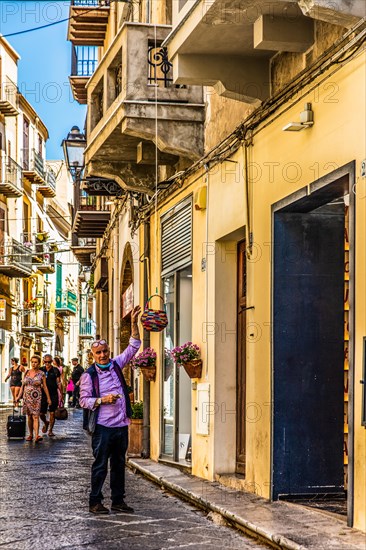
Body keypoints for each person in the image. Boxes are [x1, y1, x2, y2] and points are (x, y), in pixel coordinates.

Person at [80, 305, 141, 515]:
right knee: (100, 466)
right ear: (93, 355)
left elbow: (134, 346)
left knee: (118, 464)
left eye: (105, 351)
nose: (103, 355)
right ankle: (95, 502)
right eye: (99, 352)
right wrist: (102, 400)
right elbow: (83, 401)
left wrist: (133, 323)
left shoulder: (116, 364)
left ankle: (118, 501)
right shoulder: (89, 375)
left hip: (120, 425)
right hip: (102, 427)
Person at [17, 355, 52, 442]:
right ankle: (31, 435)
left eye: (36, 362)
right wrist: (18, 396)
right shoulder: (27, 372)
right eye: (32, 362)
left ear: (39, 363)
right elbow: (22, 386)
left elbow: (45, 387)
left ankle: (37, 435)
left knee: (36, 416)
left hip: (36, 398)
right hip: (26, 397)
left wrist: (48, 398)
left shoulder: (41, 374)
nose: (34, 364)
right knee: (29, 416)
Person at [40, 354, 61, 437]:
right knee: (41, 413)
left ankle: (50, 430)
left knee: (52, 413)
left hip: (53, 394)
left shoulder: (56, 370)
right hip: (42, 394)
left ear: (52, 361)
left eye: (49, 362)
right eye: (46, 362)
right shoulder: (41, 370)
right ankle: (46, 422)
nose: (47, 363)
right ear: (43, 361)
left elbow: (59, 382)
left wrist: (61, 394)